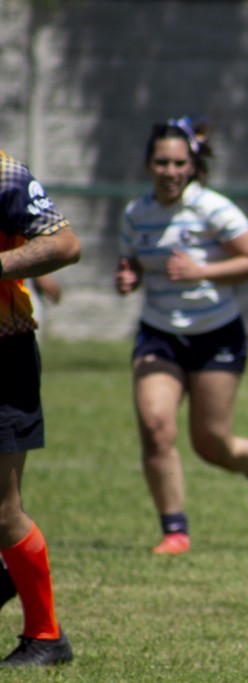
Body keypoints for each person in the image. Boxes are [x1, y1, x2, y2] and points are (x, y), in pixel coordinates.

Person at [114, 116, 248, 556]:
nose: (170, 171)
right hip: (160, 334)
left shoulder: (214, 209)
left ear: (192, 165)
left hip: (216, 335)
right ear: (148, 164)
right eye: (161, 162)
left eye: (178, 163)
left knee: (211, 444)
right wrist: (129, 275)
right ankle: (175, 531)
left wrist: (201, 270)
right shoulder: (136, 214)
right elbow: (132, 260)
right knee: (155, 427)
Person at [0, 148, 80, 665]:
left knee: (3, 511)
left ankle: (46, 637)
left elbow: (66, 243)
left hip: (2, 354)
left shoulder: (4, 174)